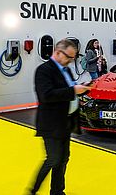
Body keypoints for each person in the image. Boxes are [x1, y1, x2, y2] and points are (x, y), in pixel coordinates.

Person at [30, 39, 91, 195]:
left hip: (65, 122)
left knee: (63, 159)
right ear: (57, 52)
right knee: (53, 159)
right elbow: (46, 95)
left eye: (73, 58)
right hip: (50, 123)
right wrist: (73, 91)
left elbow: (69, 89)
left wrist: (82, 88)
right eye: (69, 57)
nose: (71, 61)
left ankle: (57, 191)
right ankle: (32, 190)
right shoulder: (43, 70)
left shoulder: (66, 70)